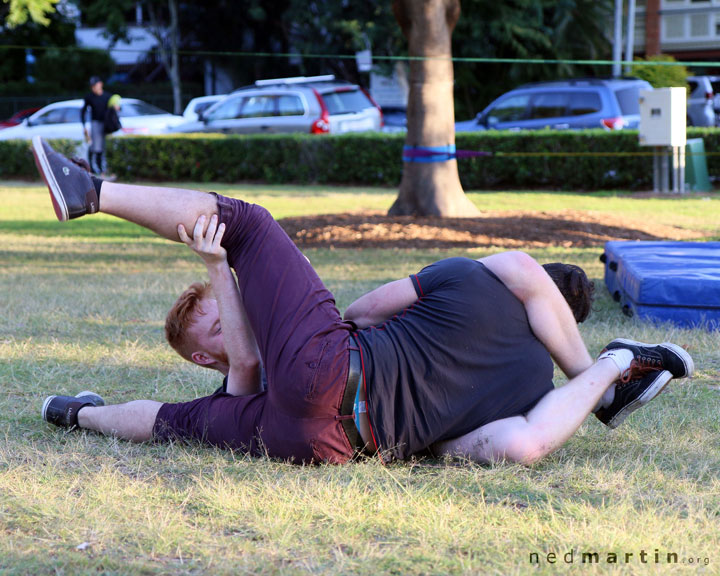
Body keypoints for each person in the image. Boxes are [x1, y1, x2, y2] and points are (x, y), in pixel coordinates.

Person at [31, 136, 694, 465]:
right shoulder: (533, 390)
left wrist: (231, 275)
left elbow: (365, 311)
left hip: (321, 385)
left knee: (251, 226)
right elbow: (516, 445)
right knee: (175, 422)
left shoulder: (469, 277)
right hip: (334, 444)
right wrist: (607, 371)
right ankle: (74, 413)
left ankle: (92, 194)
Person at [81, 76, 111, 175]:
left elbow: (114, 110)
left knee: (106, 147)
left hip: (107, 124)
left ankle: (105, 168)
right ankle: (95, 169)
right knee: (96, 147)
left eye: (95, 85)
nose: (94, 88)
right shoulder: (89, 97)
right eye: (92, 86)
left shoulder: (107, 96)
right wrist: (84, 125)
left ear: (100, 84)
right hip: (96, 123)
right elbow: (83, 111)